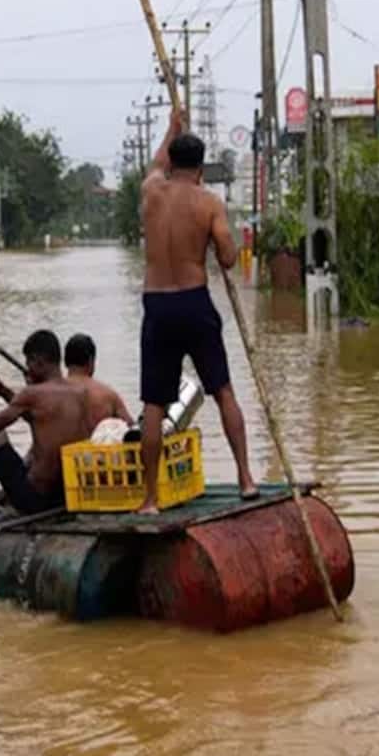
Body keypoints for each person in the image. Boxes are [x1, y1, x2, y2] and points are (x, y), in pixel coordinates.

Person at [139, 105, 256, 510]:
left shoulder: (151, 191)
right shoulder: (208, 203)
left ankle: (150, 498)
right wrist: (215, 238)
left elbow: (156, 162)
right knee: (223, 391)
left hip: (157, 304)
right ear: (201, 167)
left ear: (172, 162)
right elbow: (227, 257)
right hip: (193, 301)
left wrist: (170, 128)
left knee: (154, 404)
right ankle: (245, 478)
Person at [0, 329, 89, 516]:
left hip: (34, 499)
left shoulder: (33, 394)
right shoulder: (80, 393)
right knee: (33, 456)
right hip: (66, 496)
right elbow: (36, 417)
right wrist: (1, 389)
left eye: (29, 362)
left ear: (39, 362)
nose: (27, 368)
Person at [64, 331, 134, 436]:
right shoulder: (108, 395)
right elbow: (131, 429)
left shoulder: (52, 394)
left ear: (65, 361)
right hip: (97, 451)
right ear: (91, 361)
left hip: (60, 451)